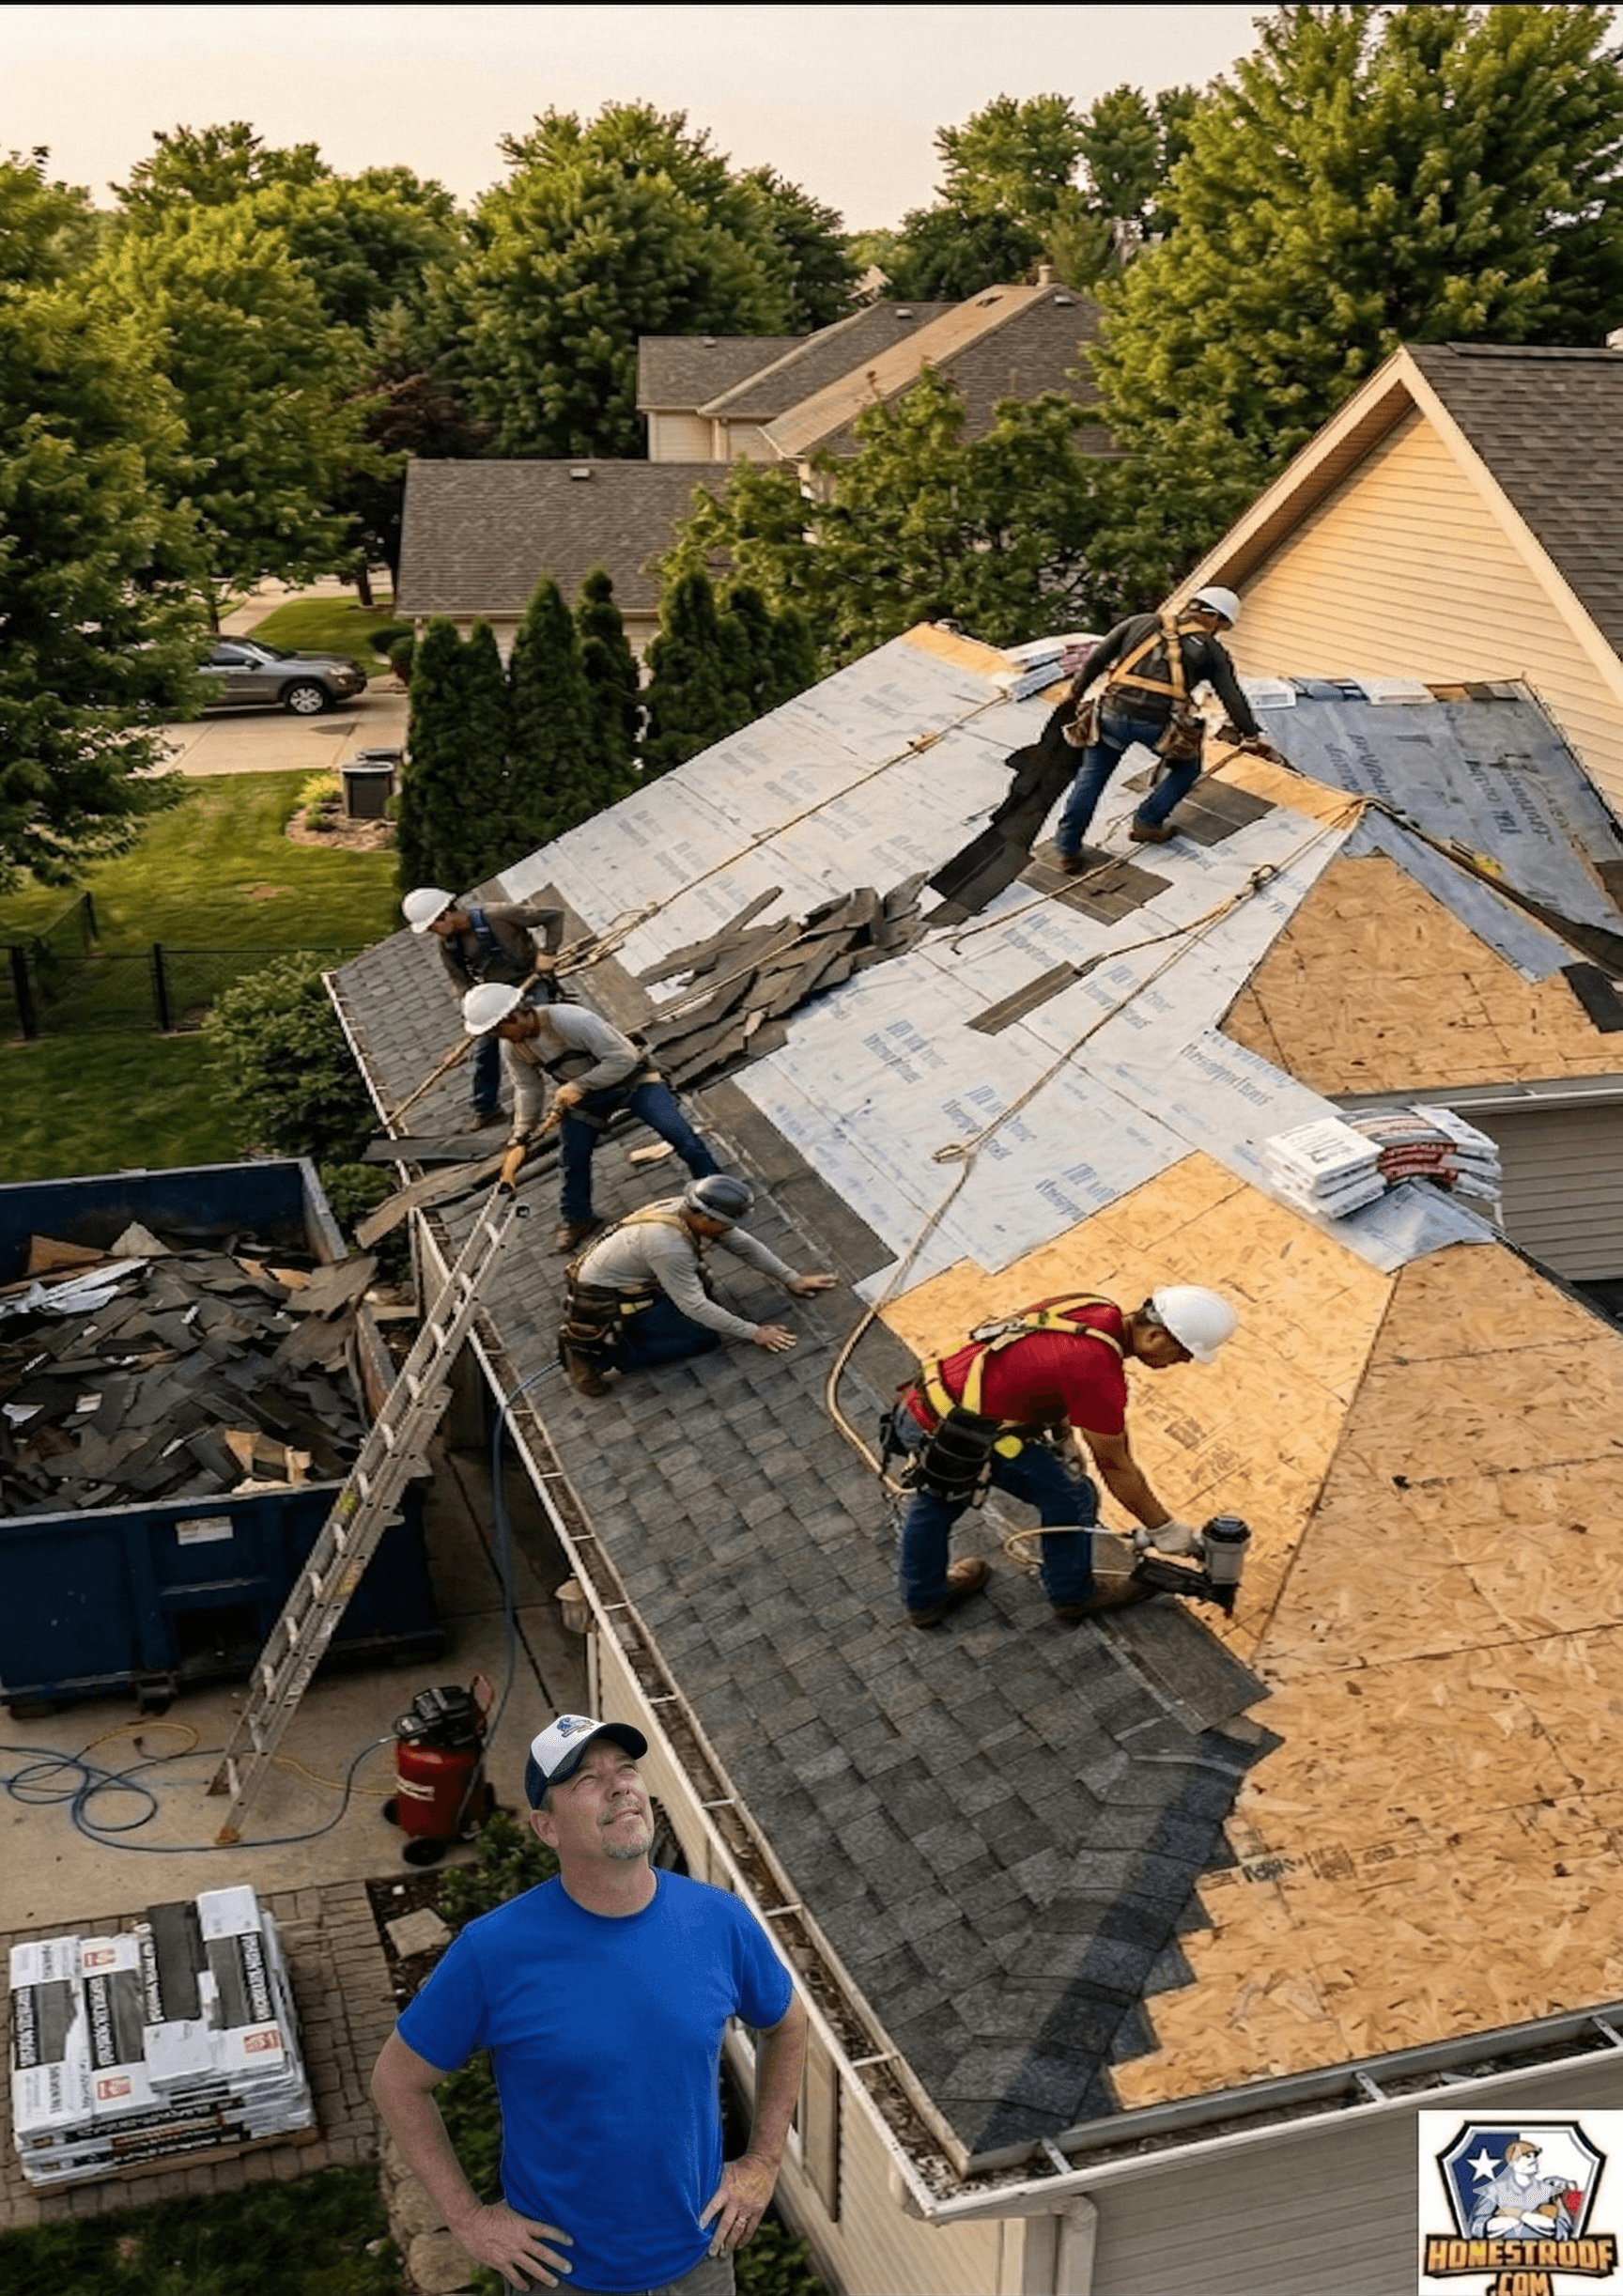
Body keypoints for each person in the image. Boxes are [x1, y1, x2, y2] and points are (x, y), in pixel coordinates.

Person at [372, 1713, 807, 2296]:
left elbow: (788, 2024)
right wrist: (469, 2220)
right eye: (585, 1780)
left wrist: (764, 2164)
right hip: (561, 2277)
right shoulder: (494, 1952)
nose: (620, 1784)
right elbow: (397, 2081)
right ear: (546, 1828)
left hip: (701, 2261)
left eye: (625, 1768)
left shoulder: (718, 1920)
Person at [890, 1283, 1237, 1629]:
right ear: (1155, 1336)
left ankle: (925, 1598)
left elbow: (1031, 1362)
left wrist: (1062, 1436)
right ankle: (1071, 1596)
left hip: (925, 1399)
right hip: (956, 1433)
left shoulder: (1087, 1306)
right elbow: (1116, 1466)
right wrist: (1163, 1528)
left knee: (942, 1504)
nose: (1184, 1361)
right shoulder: (1099, 1372)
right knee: (1069, 1496)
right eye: (1184, 1352)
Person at [462, 982, 723, 1253]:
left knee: (681, 1136)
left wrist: (579, 1085)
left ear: (513, 1016)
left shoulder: (573, 1020)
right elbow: (528, 1089)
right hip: (587, 1100)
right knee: (572, 1157)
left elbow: (624, 1059)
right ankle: (578, 1218)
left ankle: (716, 1197)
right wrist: (521, 1134)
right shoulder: (513, 1046)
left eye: (497, 1029)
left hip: (633, 1083)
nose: (496, 1036)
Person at [559, 1175, 837, 1397]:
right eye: (726, 1224)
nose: (730, 1229)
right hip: (606, 1300)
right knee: (701, 1339)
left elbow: (742, 1244)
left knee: (700, 1280)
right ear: (706, 1218)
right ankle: (596, 1357)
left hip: (638, 1279)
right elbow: (693, 1304)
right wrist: (754, 1333)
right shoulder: (668, 1246)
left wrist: (791, 1278)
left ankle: (643, 1325)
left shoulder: (689, 1208)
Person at [1051, 586, 1265, 870]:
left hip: (1112, 715)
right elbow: (1231, 696)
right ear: (1213, 617)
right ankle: (1147, 823)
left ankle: (1067, 849)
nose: (1218, 631)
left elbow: (1097, 659)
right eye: (1221, 625)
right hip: (1157, 724)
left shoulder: (1139, 622)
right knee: (1187, 767)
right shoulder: (1212, 650)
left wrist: (1074, 695)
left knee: (1091, 778)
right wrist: (1249, 734)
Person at [404, 888, 565, 1131]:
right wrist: (472, 1006)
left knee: (542, 1035)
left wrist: (548, 953)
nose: (432, 932)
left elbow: (554, 916)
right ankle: (486, 1109)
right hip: (495, 999)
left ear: (444, 915)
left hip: (530, 983)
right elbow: (460, 981)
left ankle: (575, 1086)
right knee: (485, 1052)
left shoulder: (499, 914)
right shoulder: (448, 944)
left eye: (432, 926)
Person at [1468, 2138, 1577, 2241]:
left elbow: (1565, 2225)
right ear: (1513, 2163)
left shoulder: (1549, 2190)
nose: (1533, 2160)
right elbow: (1477, 2226)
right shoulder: (1494, 2191)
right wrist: (1507, 2220)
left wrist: (1522, 2215)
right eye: (1527, 2156)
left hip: (1544, 2252)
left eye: (1534, 2156)